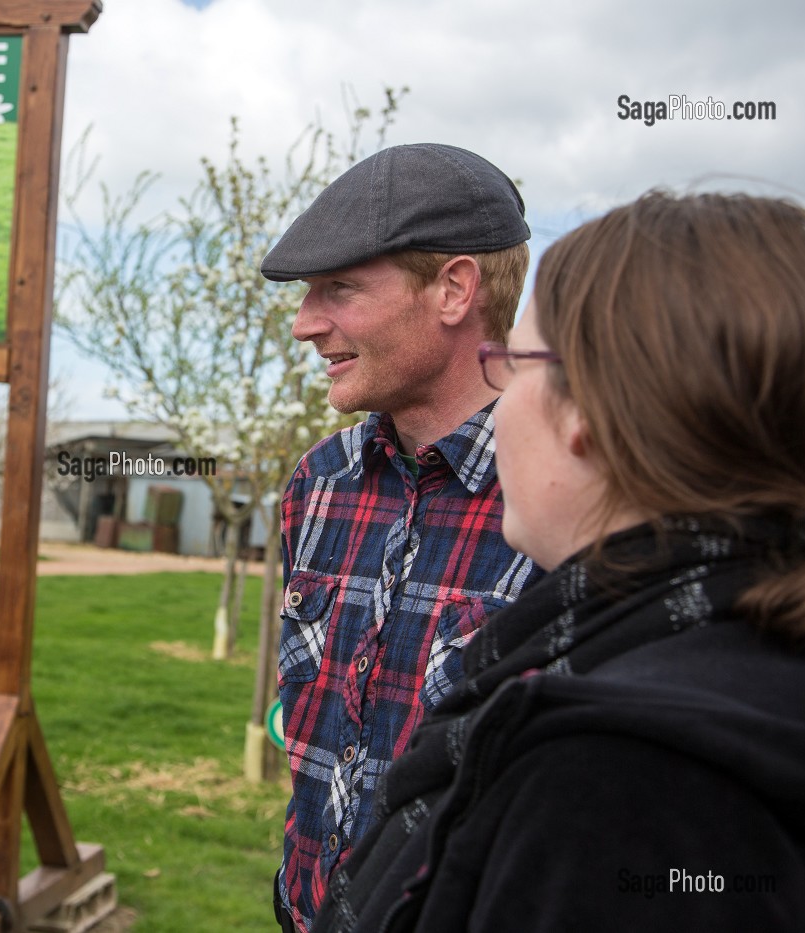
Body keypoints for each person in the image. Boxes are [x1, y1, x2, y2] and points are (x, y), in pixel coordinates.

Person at [312, 191, 805, 933]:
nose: (500, 401)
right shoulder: (763, 655)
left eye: (513, 365)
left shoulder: (610, 779)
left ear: (586, 410)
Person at [260, 143, 541, 932]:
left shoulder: (571, 494)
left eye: (339, 289)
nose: (304, 323)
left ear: (455, 288)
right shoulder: (317, 485)